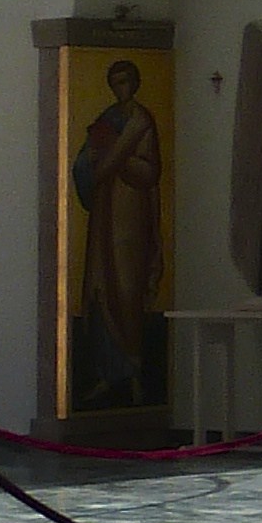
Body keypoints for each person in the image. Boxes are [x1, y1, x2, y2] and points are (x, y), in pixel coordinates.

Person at [71, 59, 164, 408]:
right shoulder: (108, 119)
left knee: (127, 289)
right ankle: (107, 374)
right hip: (104, 216)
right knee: (101, 287)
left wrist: (117, 157)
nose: (120, 88)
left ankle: (135, 371)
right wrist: (93, 158)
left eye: (125, 81)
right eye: (115, 82)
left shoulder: (141, 121)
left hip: (131, 216)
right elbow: (82, 163)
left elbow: (150, 171)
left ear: (135, 83)